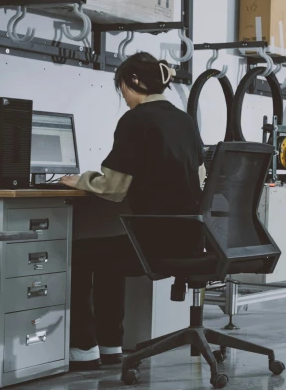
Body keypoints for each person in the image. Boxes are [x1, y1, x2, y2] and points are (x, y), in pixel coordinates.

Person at [61, 52, 206, 370]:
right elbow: (201, 181)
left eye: (122, 88)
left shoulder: (137, 120)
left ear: (135, 82)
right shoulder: (184, 120)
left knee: (77, 253)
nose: (123, 97)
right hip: (193, 239)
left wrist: (80, 180)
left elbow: (114, 189)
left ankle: (83, 350)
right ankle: (111, 347)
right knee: (110, 257)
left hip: (155, 242)